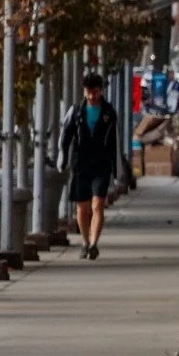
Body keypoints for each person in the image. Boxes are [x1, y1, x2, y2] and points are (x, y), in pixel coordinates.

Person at [59, 70, 120, 260]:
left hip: (101, 164)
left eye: (95, 92)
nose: (92, 96)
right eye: (89, 92)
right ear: (84, 92)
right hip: (81, 164)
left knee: (97, 205)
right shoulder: (76, 112)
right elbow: (65, 137)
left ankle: (94, 243)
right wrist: (62, 159)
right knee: (82, 208)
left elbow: (114, 142)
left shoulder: (109, 113)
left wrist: (117, 169)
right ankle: (85, 242)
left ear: (101, 91)